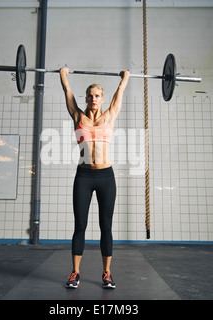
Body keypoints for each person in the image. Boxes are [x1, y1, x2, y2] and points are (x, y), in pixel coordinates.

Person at [59, 67, 129, 289]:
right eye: (89, 96)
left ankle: (107, 273)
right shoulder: (77, 115)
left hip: (106, 176)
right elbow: (67, 89)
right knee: (80, 226)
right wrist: (63, 74)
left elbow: (121, 91)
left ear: (102, 98)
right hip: (84, 175)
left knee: (105, 226)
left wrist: (125, 77)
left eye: (97, 96)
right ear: (86, 99)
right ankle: (74, 273)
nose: (93, 99)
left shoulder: (110, 115)